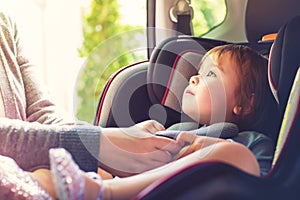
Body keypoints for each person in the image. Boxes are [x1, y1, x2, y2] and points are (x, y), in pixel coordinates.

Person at [0, 43, 279, 199]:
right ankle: (37, 186)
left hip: (182, 191)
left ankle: (101, 192)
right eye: (198, 72)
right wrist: (130, 139)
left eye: (211, 76)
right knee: (50, 174)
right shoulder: (173, 129)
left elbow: (263, 180)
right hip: (131, 183)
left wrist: (206, 148)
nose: (194, 77)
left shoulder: (251, 142)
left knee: (236, 155)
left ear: (246, 103)